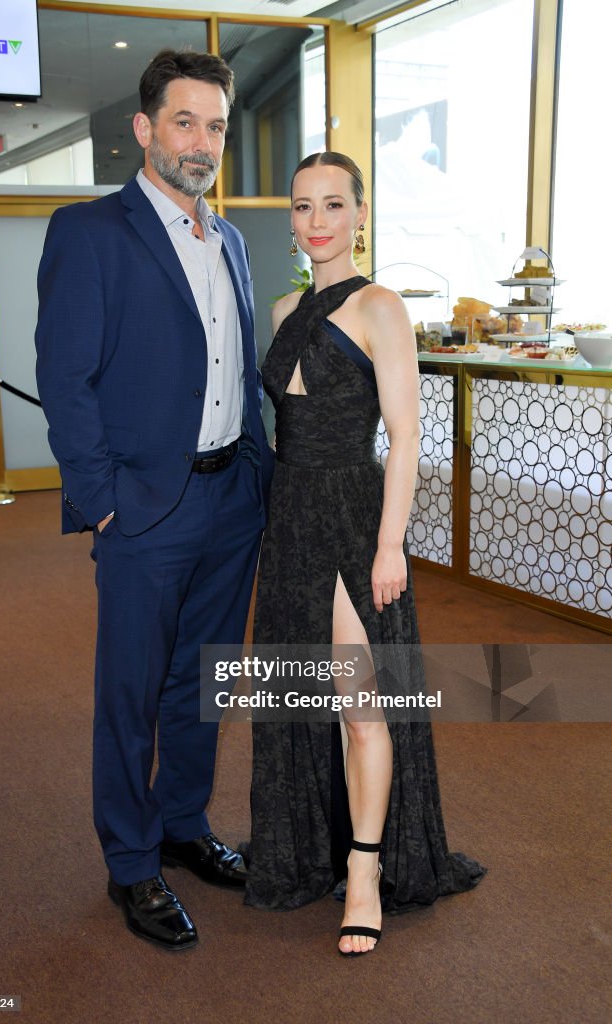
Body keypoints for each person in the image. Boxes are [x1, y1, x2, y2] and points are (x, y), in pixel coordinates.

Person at [35, 48, 273, 952]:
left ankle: (182, 824)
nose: (201, 141)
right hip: (143, 510)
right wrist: (101, 500)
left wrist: (258, 473)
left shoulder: (235, 240)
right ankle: (131, 863)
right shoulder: (91, 231)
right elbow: (65, 375)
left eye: (214, 126)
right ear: (144, 129)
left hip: (230, 505)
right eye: (184, 121)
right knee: (130, 693)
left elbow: (235, 372)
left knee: (203, 683)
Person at [244, 151, 486, 956]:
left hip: (353, 519)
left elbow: (409, 435)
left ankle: (362, 872)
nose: (316, 221)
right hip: (290, 520)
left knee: (359, 705)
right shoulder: (282, 311)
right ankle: (308, 845)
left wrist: (390, 547)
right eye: (302, 205)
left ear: (359, 215)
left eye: (332, 205)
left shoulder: (382, 307)